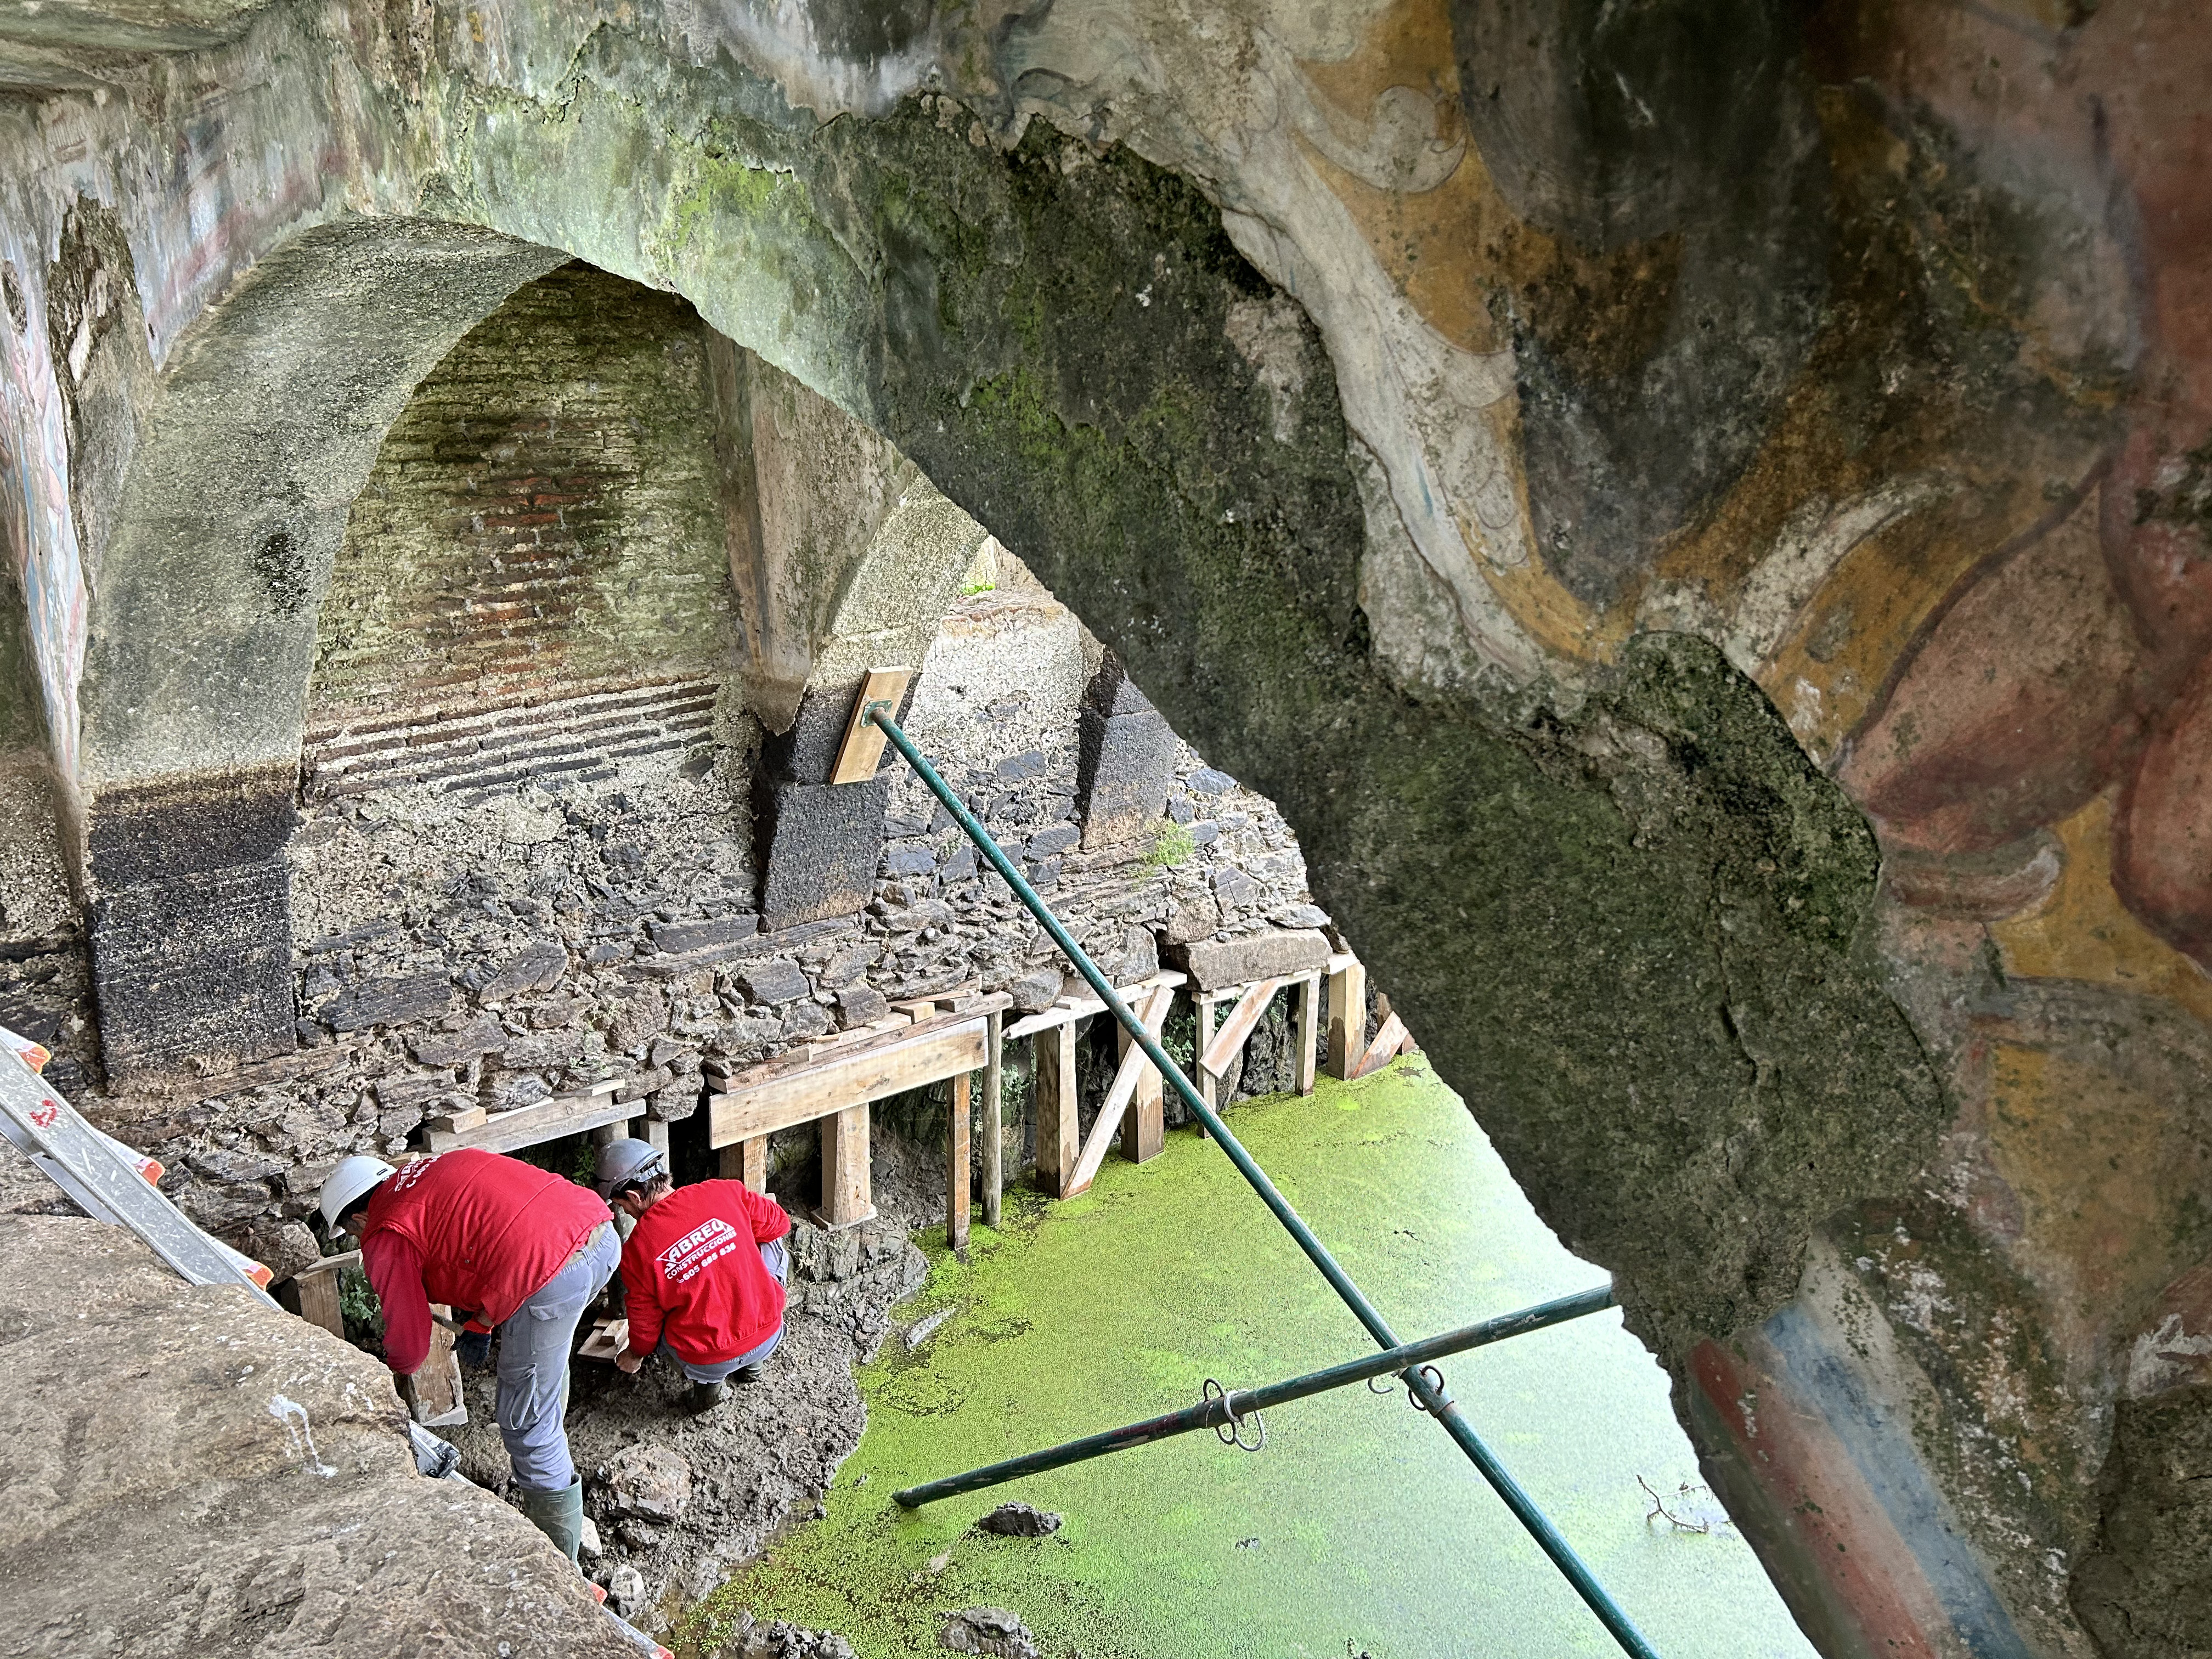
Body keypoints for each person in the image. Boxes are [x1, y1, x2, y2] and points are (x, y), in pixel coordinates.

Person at [317, 1148, 617, 1564]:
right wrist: (480, 1324)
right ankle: (552, 1439)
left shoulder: (385, 1232)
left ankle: (560, 1564)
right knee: (544, 1358)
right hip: (599, 1232)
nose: (359, 1239)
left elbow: (409, 1345)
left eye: (352, 1233)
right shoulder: (434, 1170)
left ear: (359, 1219)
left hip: (553, 1274)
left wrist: (384, 1379)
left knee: (526, 1424)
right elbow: (500, 1236)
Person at [593, 1137, 791, 1413]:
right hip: (770, 1330)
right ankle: (753, 1365)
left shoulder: (636, 1250)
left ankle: (708, 1392)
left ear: (635, 1197)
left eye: (622, 1206)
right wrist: (728, 1245)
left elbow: (645, 1327)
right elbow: (780, 1222)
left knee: (655, 1316)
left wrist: (635, 1355)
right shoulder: (724, 1190)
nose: (625, 1212)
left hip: (708, 1359)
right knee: (771, 1240)